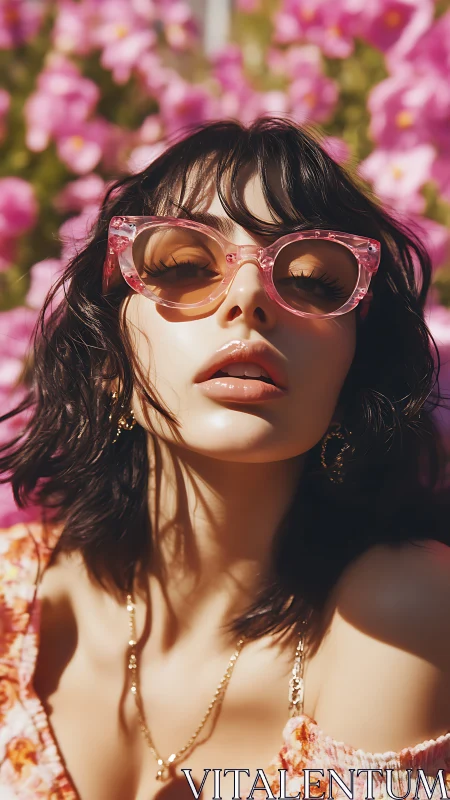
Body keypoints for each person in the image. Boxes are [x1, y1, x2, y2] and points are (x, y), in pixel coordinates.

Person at [0, 117, 450, 800]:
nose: (248, 298)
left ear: (353, 374)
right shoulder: (14, 600)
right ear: (109, 362)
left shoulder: (406, 610)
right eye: (182, 266)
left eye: (312, 279)